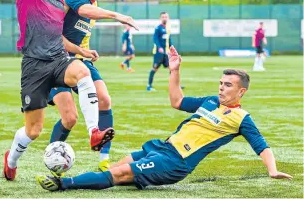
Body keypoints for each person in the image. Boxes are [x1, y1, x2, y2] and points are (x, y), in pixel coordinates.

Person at [36, 46, 292, 192]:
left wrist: (272, 170)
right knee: (116, 166)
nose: (222, 88)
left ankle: (63, 184)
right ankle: (80, 180)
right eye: (221, 83)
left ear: (241, 91)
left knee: (120, 173)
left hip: (177, 163)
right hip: (162, 147)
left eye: (228, 85)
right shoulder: (210, 101)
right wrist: (175, 71)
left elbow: (261, 145)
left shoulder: (241, 118)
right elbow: (177, 101)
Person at [3, 0, 117, 181]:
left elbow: (60, 36)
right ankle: (11, 160)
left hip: (58, 60)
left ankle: (94, 132)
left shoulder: (58, 0)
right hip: (34, 65)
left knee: (83, 72)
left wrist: (82, 51)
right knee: (33, 130)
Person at [48, 0, 138, 172]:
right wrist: (117, 15)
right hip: (53, 60)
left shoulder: (95, 7)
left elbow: (81, 37)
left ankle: (104, 160)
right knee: (69, 119)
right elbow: (72, 20)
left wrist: (85, 52)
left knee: (105, 99)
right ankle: (50, 156)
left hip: (77, 60)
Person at [147, 12, 172, 91]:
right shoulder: (158, 28)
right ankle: (149, 86)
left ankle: (174, 85)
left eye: (166, 17)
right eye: (163, 17)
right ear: (160, 18)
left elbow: (169, 40)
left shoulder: (167, 28)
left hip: (166, 53)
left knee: (172, 68)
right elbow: (155, 39)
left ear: (168, 18)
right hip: (158, 53)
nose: (164, 18)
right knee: (155, 68)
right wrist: (159, 47)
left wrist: (171, 49)